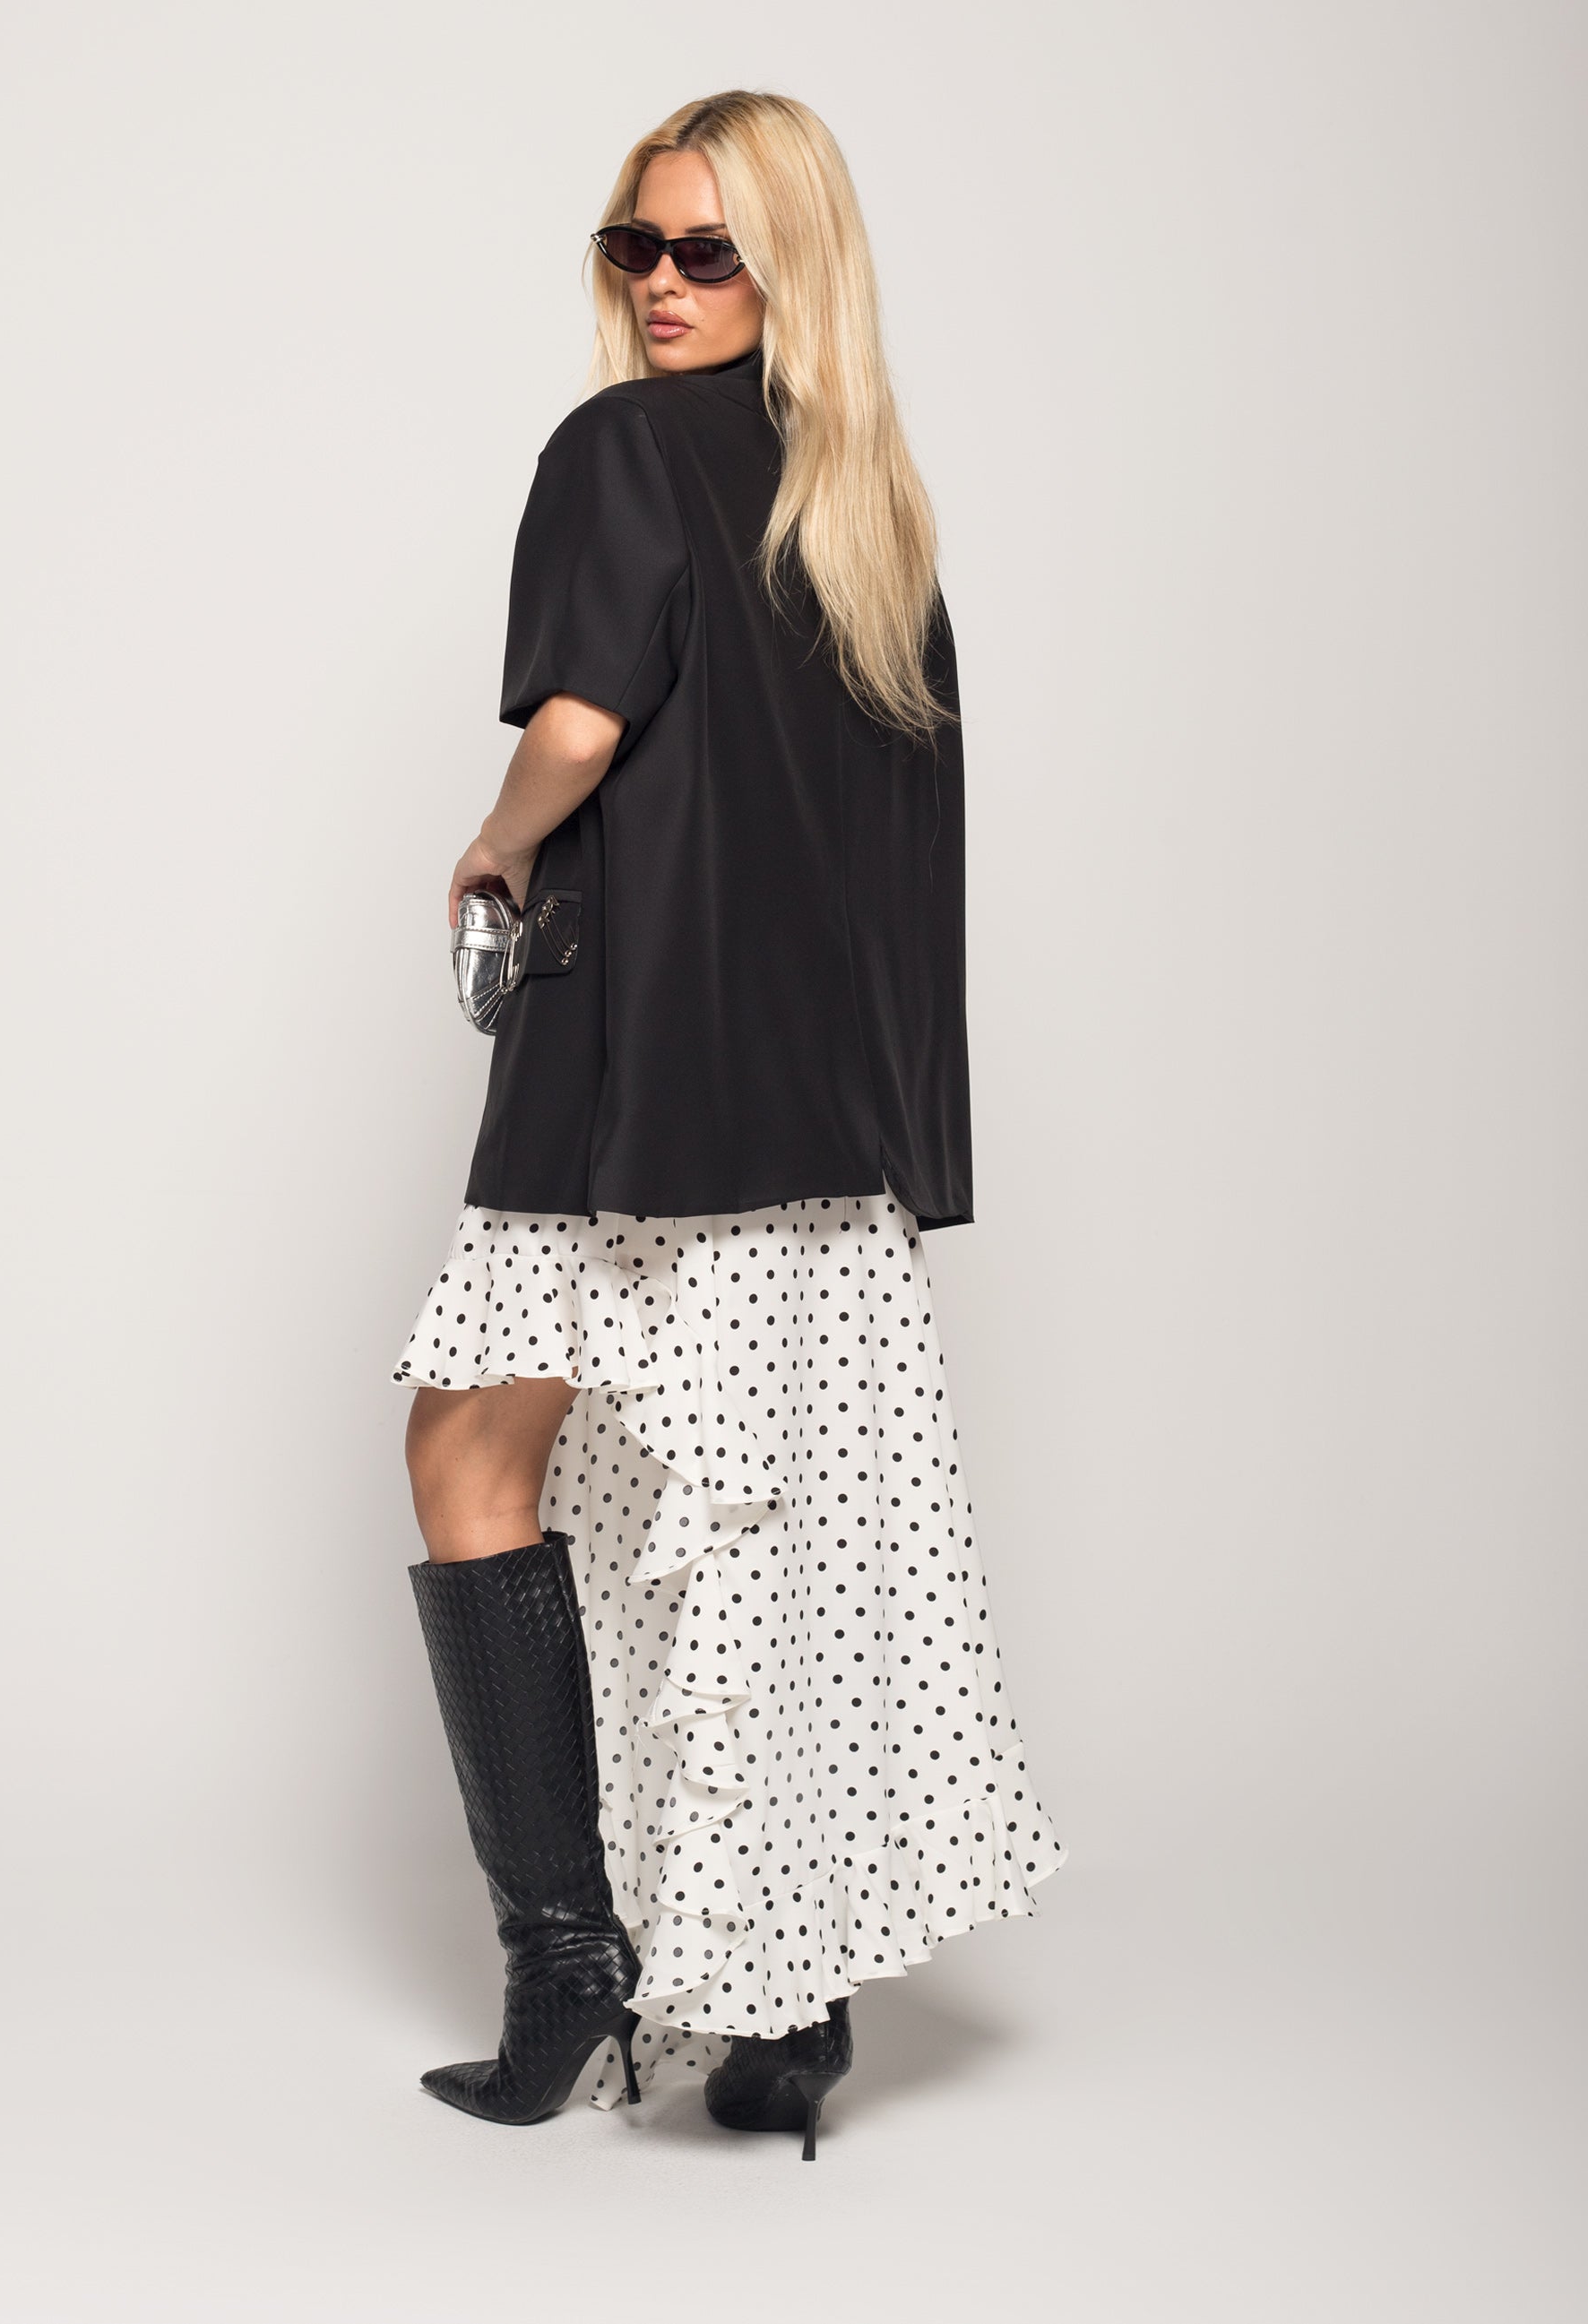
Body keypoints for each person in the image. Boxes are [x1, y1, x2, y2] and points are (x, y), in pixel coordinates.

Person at [392, 88, 1066, 2160]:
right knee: (764, 1521)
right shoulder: (868, 515)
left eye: (709, 251)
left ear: (790, 268)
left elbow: (582, 722)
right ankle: (790, 2005)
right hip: (815, 1105)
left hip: (629, 1066)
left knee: (470, 1452)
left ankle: (566, 1969)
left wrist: (492, 846)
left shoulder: (619, 450)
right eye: (637, 246)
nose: (664, 284)